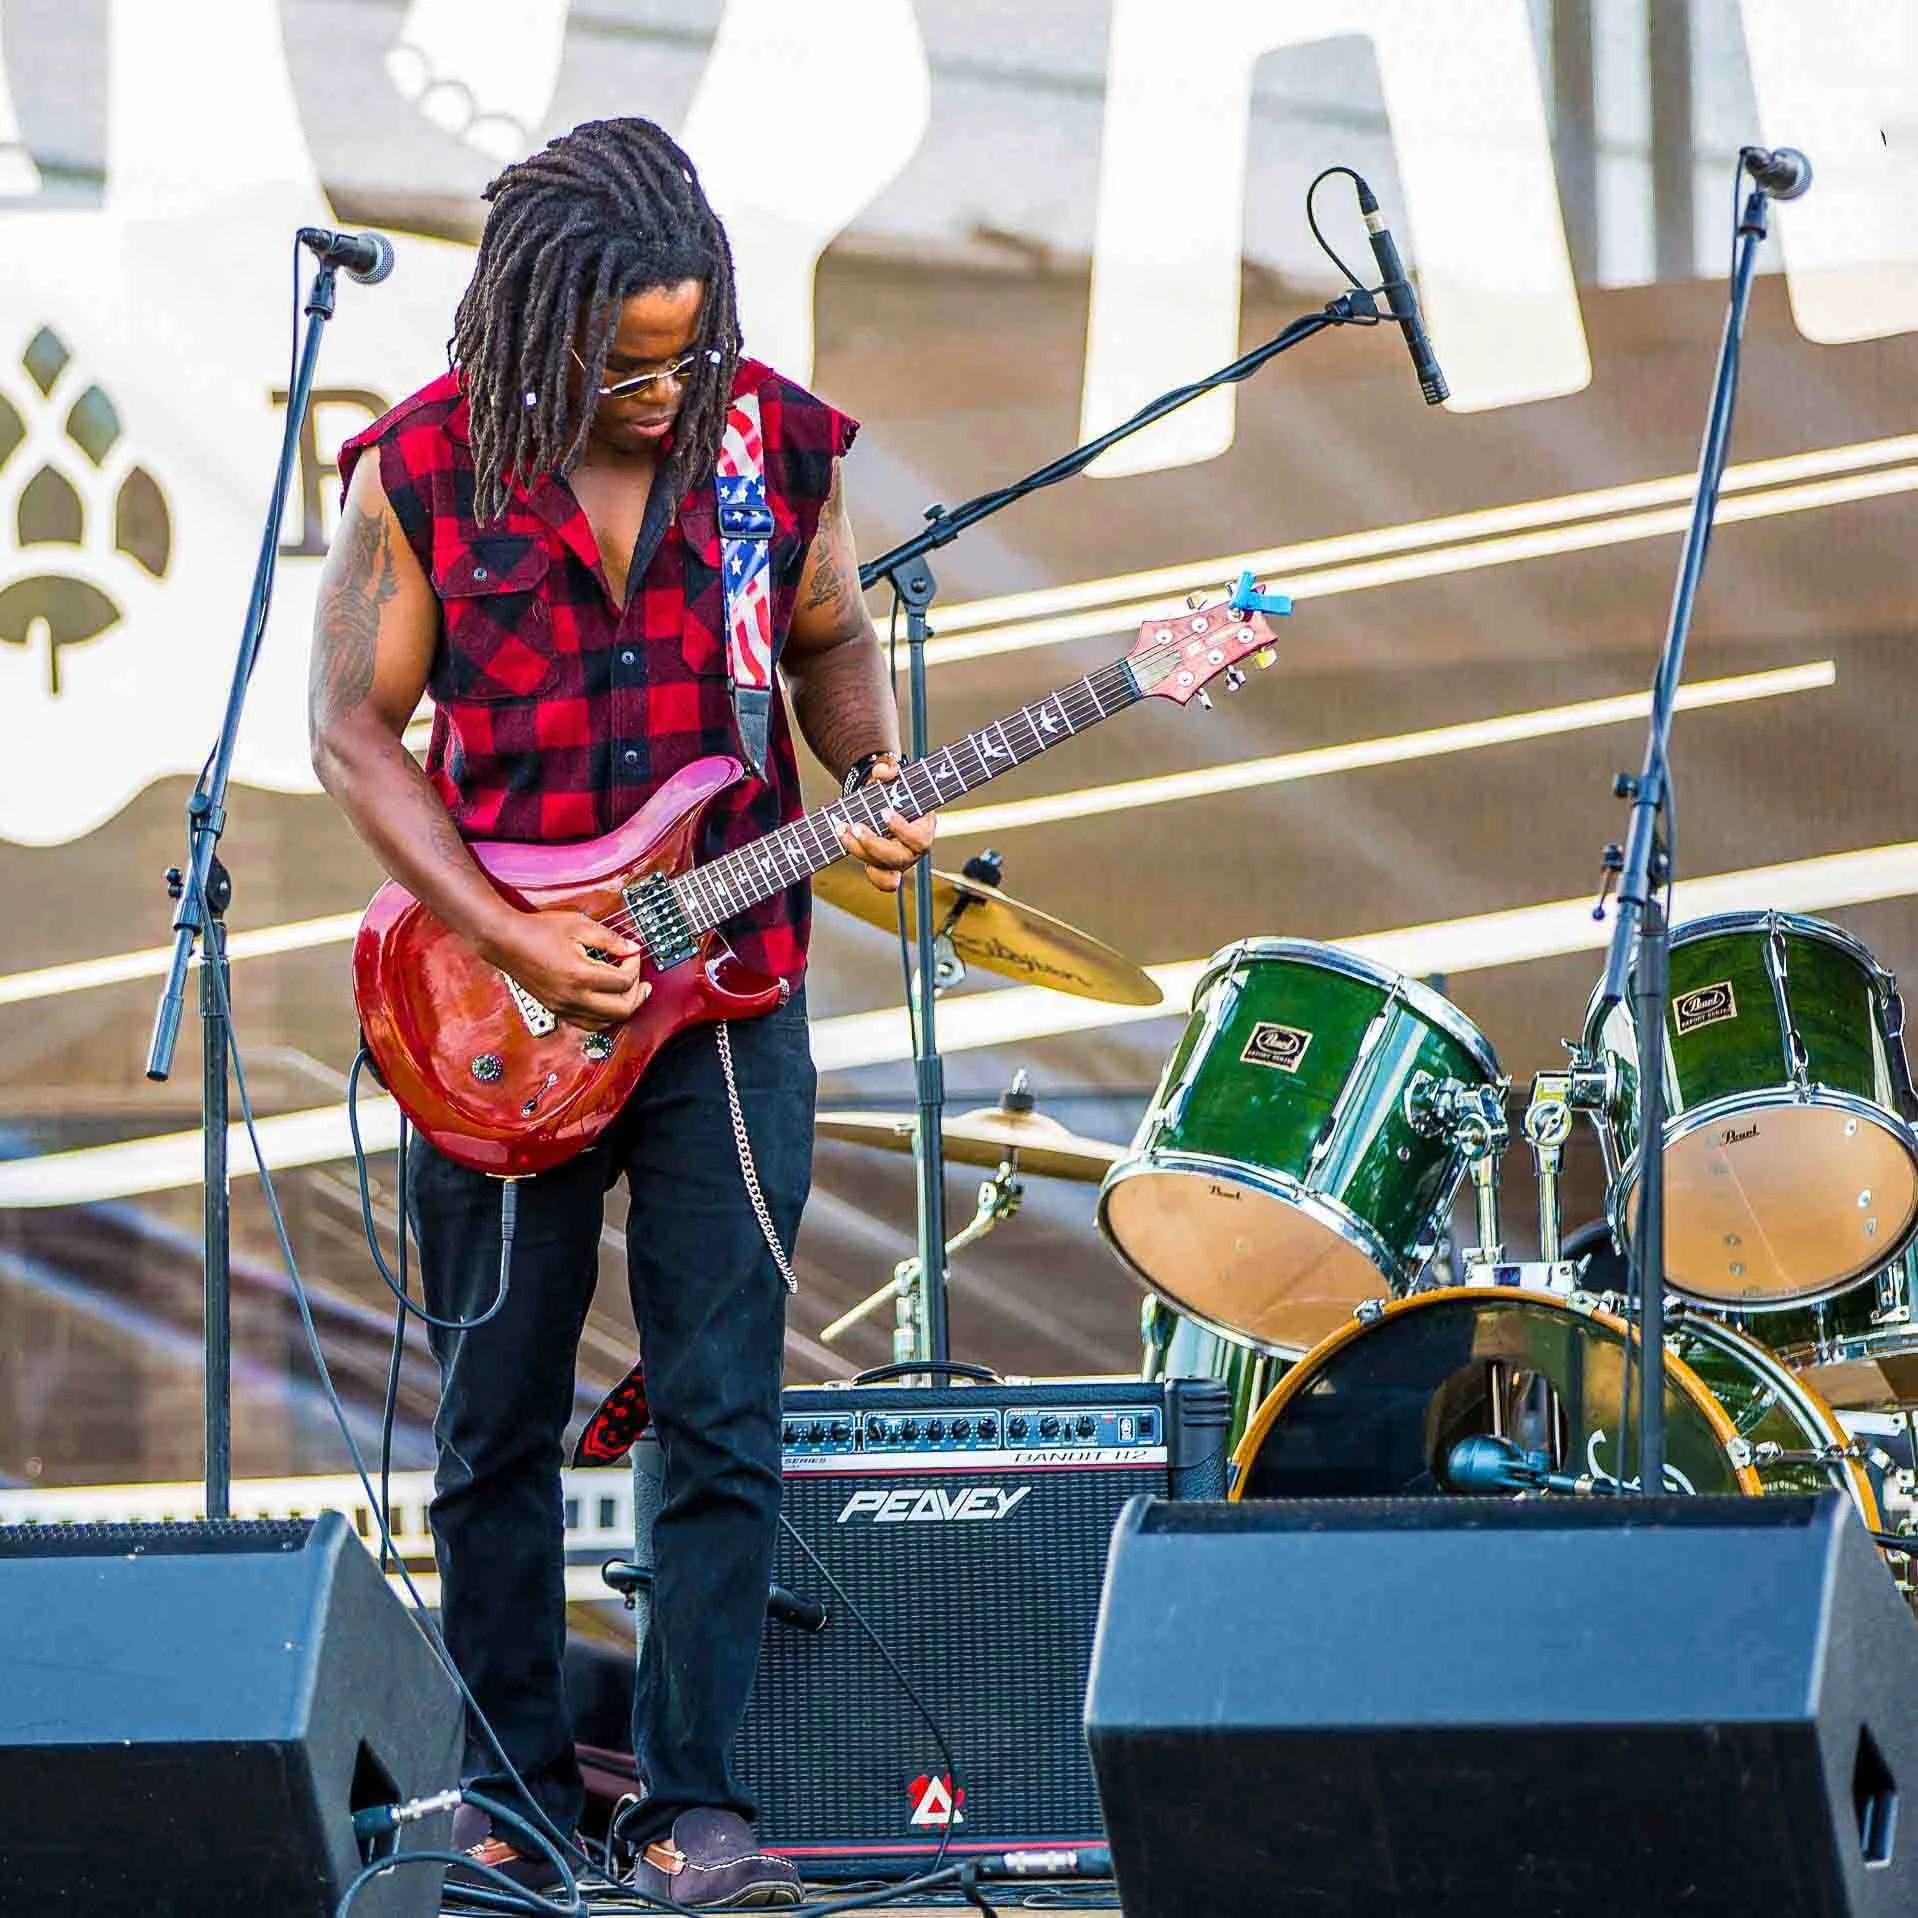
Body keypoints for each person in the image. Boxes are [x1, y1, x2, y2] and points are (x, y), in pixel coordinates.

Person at [309, 115, 933, 1907]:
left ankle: (694, 1803)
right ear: (531, 331)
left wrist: (871, 773)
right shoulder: (420, 472)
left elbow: (825, 643)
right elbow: (353, 730)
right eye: (622, 359)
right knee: (497, 1412)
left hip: (731, 992)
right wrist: (506, 932)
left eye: (685, 347)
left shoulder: (771, 445)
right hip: (492, 1010)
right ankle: (510, 1788)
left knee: (724, 1404)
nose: (662, 387)